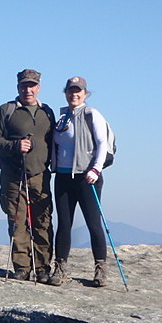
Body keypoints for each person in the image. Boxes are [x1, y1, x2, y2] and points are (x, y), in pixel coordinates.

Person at [0, 69, 56, 282]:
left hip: (40, 174)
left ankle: (43, 267)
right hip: (12, 174)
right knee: (17, 221)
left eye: (32, 86)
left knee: (42, 221)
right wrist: (15, 146)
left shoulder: (47, 112)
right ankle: (22, 267)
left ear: (38, 87)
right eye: (24, 86)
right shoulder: (6, 110)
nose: (28, 90)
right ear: (18, 87)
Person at [47, 76, 109, 287]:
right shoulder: (62, 117)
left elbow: (102, 144)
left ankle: (100, 269)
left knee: (93, 224)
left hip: (87, 177)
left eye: (78, 91)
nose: (74, 94)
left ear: (85, 93)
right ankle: (60, 268)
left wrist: (95, 169)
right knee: (64, 224)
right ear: (65, 92)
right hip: (63, 177)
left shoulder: (92, 115)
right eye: (71, 91)